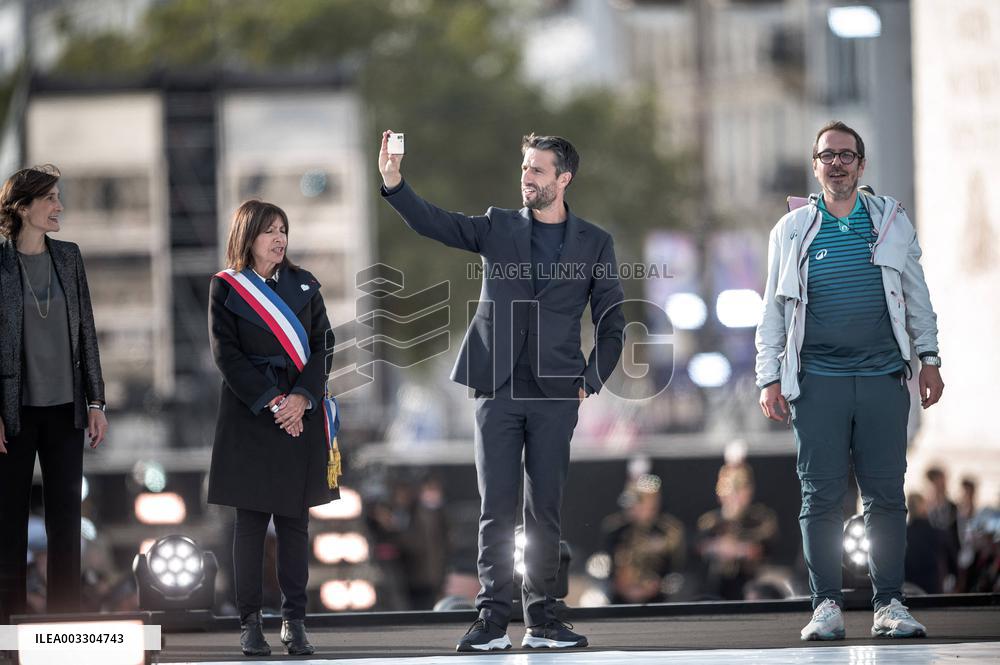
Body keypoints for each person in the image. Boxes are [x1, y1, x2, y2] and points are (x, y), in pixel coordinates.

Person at [378, 131, 626, 651]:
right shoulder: (497, 226)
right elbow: (436, 223)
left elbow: (612, 322)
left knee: (546, 510)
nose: (527, 177)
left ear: (564, 179)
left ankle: (543, 621)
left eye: (538, 170)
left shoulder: (594, 242)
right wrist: (395, 183)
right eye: (525, 168)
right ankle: (491, 621)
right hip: (497, 386)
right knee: (496, 508)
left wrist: (589, 382)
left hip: (558, 392)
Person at [755, 121, 944, 640]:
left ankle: (890, 604)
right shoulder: (791, 230)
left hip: (884, 377)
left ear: (861, 165)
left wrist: (929, 358)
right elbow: (773, 308)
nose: (836, 163)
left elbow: (917, 295)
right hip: (818, 382)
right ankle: (826, 607)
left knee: (886, 496)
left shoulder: (890, 221)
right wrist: (767, 377)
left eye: (846, 155)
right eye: (827, 156)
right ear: (815, 166)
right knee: (820, 495)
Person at [207, 200, 337, 656]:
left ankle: (294, 621)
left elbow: (324, 345)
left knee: (295, 522)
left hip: (298, 414)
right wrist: (273, 401)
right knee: (249, 524)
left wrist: (301, 398)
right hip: (251, 414)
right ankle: (249, 622)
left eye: (283, 229)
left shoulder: (305, 285)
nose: (279, 239)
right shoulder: (226, 289)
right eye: (269, 231)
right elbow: (226, 354)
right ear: (248, 236)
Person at [0, 165, 108, 625]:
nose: (58, 206)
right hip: (14, 413)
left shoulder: (69, 257)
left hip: (67, 410)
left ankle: (66, 624)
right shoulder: (0, 264)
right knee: (9, 525)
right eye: (49, 199)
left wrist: (96, 402)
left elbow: (87, 333)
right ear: (22, 207)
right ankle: (7, 626)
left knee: (67, 524)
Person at [696, 462, 777, 600]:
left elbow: (763, 546)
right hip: (716, 585)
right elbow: (699, 547)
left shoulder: (761, 518)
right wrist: (718, 547)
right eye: (730, 489)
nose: (735, 496)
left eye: (740, 490)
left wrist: (738, 549)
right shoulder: (710, 522)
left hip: (751, 581)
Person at [601, 474, 685, 604]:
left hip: (659, 599)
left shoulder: (668, 530)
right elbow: (604, 563)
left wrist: (658, 586)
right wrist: (620, 585)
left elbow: (678, 568)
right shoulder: (615, 529)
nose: (637, 508)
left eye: (642, 501)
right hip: (619, 597)